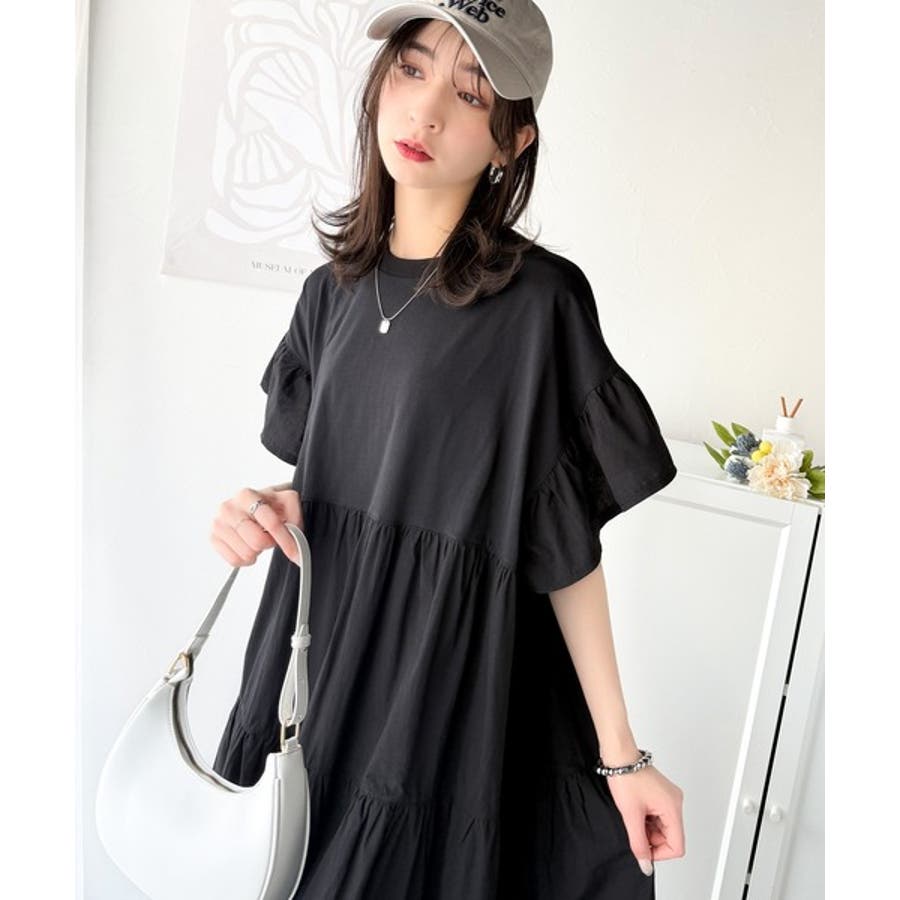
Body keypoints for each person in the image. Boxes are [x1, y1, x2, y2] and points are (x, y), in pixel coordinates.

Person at [208, 1, 685, 897]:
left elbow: (564, 547)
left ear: (512, 140)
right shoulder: (328, 293)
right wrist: (266, 508)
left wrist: (622, 755)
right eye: (412, 69)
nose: (424, 112)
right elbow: (336, 483)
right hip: (314, 659)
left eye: (470, 95)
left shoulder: (539, 307)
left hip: (432, 683)